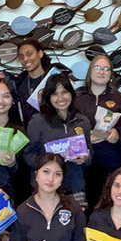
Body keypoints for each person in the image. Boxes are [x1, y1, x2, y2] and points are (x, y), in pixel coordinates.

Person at [25, 73, 93, 210]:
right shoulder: (38, 121)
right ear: (48, 97)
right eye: (55, 94)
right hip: (46, 188)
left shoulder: (82, 121)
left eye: (64, 92)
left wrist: (85, 158)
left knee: (76, 227)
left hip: (75, 187)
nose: (60, 98)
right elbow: (27, 155)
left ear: (71, 94)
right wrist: (48, 162)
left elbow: (90, 157)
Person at [76, 55, 121, 213]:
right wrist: (85, 138)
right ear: (90, 71)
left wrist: (117, 133)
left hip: (112, 162)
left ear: (111, 74)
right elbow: (67, 127)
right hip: (83, 164)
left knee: (109, 205)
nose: (102, 72)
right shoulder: (76, 98)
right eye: (98, 68)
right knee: (85, 207)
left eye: (106, 69)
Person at [14, 38, 53, 124]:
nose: (25, 59)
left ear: (40, 53)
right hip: (30, 132)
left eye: (29, 54)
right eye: (21, 56)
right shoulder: (19, 84)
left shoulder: (53, 78)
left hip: (55, 130)